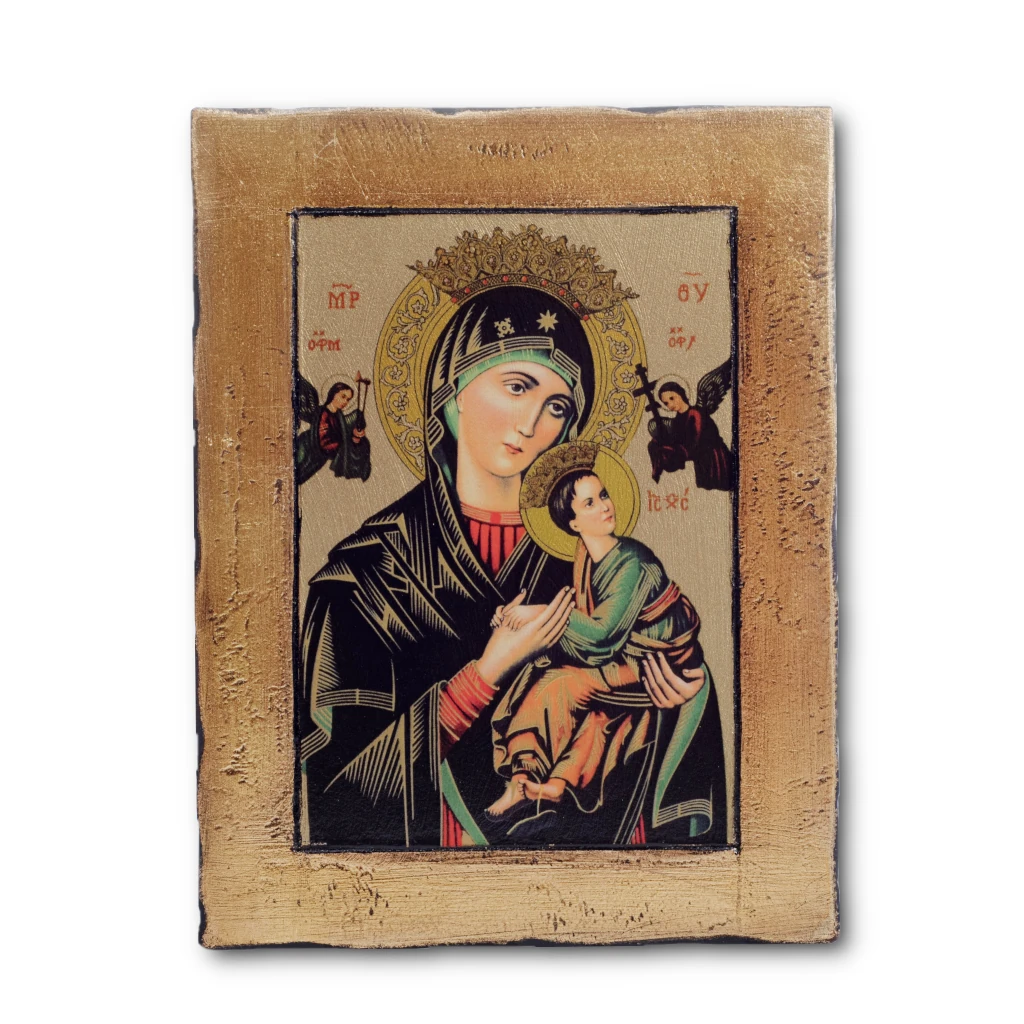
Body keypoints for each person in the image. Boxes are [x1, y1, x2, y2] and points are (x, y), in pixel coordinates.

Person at [298, 287, 722, 848]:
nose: (531, 423)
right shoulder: (366, 574)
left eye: (557, 407)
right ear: (452, 392)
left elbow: (662, 668)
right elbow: (337, 799)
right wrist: (484, 675)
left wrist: (675, 695)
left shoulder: (591, 555)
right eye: (517, 387)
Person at [485, 464, 716, 835]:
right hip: (627, 660)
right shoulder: (587, 559)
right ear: (573, 523)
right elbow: (588, 633)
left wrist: (538, 614)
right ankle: (548, 785)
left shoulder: (633, 561)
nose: (605, 506)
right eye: (590, 502)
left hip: (659, 664)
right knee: (594, 714)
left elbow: (602, 636)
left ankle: (522, 775)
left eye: (604, 495)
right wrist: (520, 622)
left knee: (559, 684)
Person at [648, 381, 731, 490]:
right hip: (700, 458)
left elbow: (694, 440)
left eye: (672, 398)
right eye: (666, 403)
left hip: (713, 459)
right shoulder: (678, 418)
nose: (670, 405)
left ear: (680, 394)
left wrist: (677, 451)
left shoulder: (695, 413)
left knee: (716, 487)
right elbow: (678, 439)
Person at [318, 382, 371, 481]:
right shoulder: (324, 414)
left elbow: (342, 431)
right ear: (333, 394)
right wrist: (348, 442)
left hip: (339, 444)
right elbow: (324, 442)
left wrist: (354, 434)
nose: (345, 402)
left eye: (348, 399)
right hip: (330, 447)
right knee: (355, 448)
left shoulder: (338, 413)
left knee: (364, 443)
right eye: (343, 397)